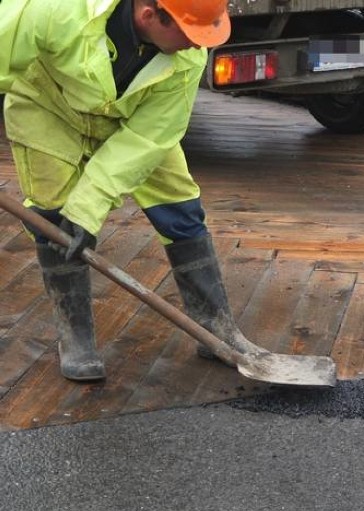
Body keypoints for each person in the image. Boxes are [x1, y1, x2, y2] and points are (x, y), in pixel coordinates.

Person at [0, 0, 261, 382]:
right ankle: (76, 339)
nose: (196, 45)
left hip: (133, 120)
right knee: (54, 216)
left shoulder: (189, 55)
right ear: (149, 16)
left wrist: (89, 206)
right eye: (189, 34)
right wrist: (76, 212)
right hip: (49, 108)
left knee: (180, 207)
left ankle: (216, 328)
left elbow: (149, 138)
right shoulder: (57, 9)